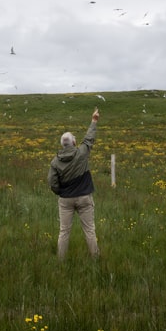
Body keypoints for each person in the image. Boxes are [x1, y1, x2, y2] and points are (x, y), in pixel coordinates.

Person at [48, 107, 101, 259]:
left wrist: (61, 192)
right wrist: (94, 121)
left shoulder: (55, 162)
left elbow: (52, 183)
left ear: (62, 144)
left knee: (64, 231)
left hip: (65, 200)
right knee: (90, 230)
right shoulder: (81, 153)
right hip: (84, 197)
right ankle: (95, 259)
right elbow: (89, 139)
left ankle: (61, 261)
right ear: (74, 142)